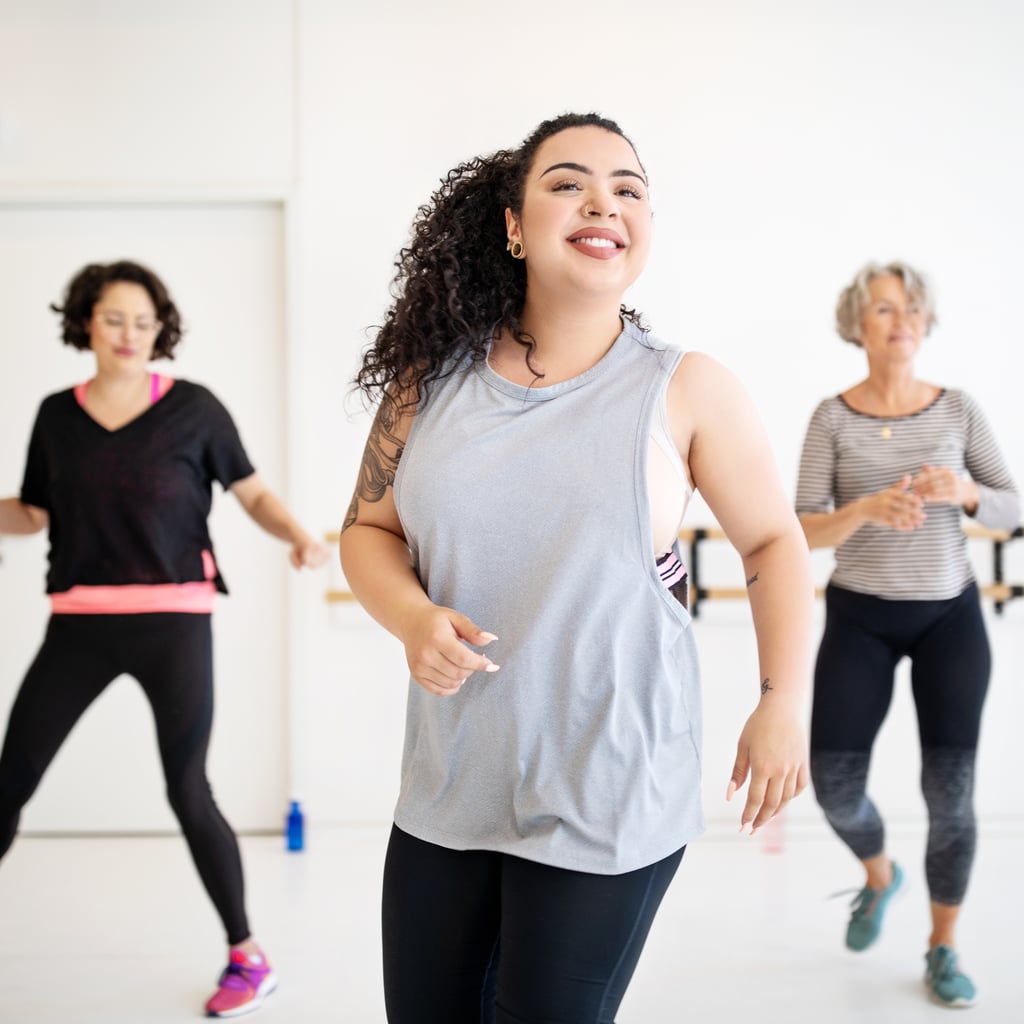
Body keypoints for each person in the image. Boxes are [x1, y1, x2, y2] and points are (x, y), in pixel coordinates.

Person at [339, 112, 815, 1023]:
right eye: (567, 182)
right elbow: (369, 531)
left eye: (628, 188)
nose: (604, 201)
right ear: (513, 227)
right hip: (450, 785)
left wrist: (783, 698)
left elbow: (772, 543)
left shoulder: (686, 387)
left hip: (611, 788)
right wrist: (410, 617)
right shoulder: (425, 384)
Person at [0, 259, 328, 1018]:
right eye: (114, 317)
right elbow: (34, 511)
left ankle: (248, 957)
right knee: (10, 780)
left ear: (160, 330)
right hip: (79, 623)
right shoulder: (56, 414)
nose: (129, 333)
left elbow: (253, 491)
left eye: (143, 321)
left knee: (188, 788)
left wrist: (297, 536)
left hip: (174, 622)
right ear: (87, 321)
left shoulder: (195, 409)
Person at [795, 260, 1020, 1009]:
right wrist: (862, 510)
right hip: (860, 616)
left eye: (914, 307)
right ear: (858, 324)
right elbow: (798, 529)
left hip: (948, 617)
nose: (904, 320)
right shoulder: (831, 416)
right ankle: (879, 875)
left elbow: (1013, 507)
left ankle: (942, 946)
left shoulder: (957, 410)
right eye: (887, 309)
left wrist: (966, 491)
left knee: (950, 799)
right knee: (832, 787)